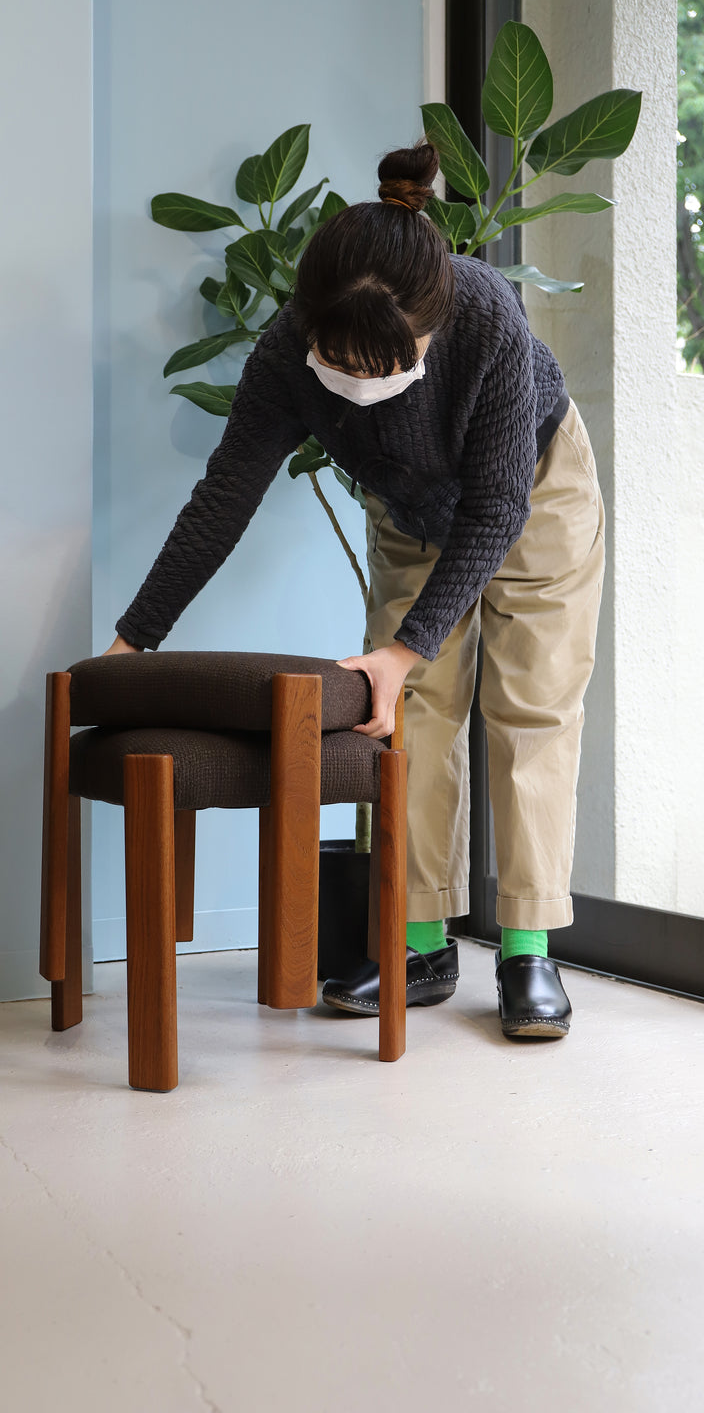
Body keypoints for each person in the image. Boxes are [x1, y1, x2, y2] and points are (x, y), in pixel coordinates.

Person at [104, 141, 605, 1040]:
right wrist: (133, 641)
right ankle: (418, 942)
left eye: (391, 365)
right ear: (308, 325)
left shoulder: (484, 313)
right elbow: (225, 498)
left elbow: (496, 509)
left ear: (431, 325)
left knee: (532, 705)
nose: (365, 387)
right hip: (412, 511)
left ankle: (528, 948)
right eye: (344, 364)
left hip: (534, 490)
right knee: (404, 712)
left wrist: (407, 642)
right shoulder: (284, 353)